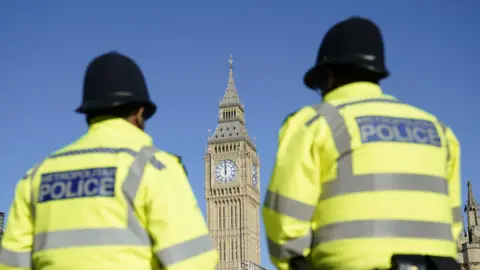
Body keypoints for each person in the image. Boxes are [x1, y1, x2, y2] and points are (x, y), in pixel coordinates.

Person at [262, 17, 462, 270]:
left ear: (329, 77)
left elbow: (284, 224)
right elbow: (454, 224)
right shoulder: (440, 130)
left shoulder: (314, 123)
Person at [0, 51, 218, 270]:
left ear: (88, 112)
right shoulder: (154, 167)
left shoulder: (37, 176)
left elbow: (10, 264)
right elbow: (195, 262)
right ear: (140, 112)